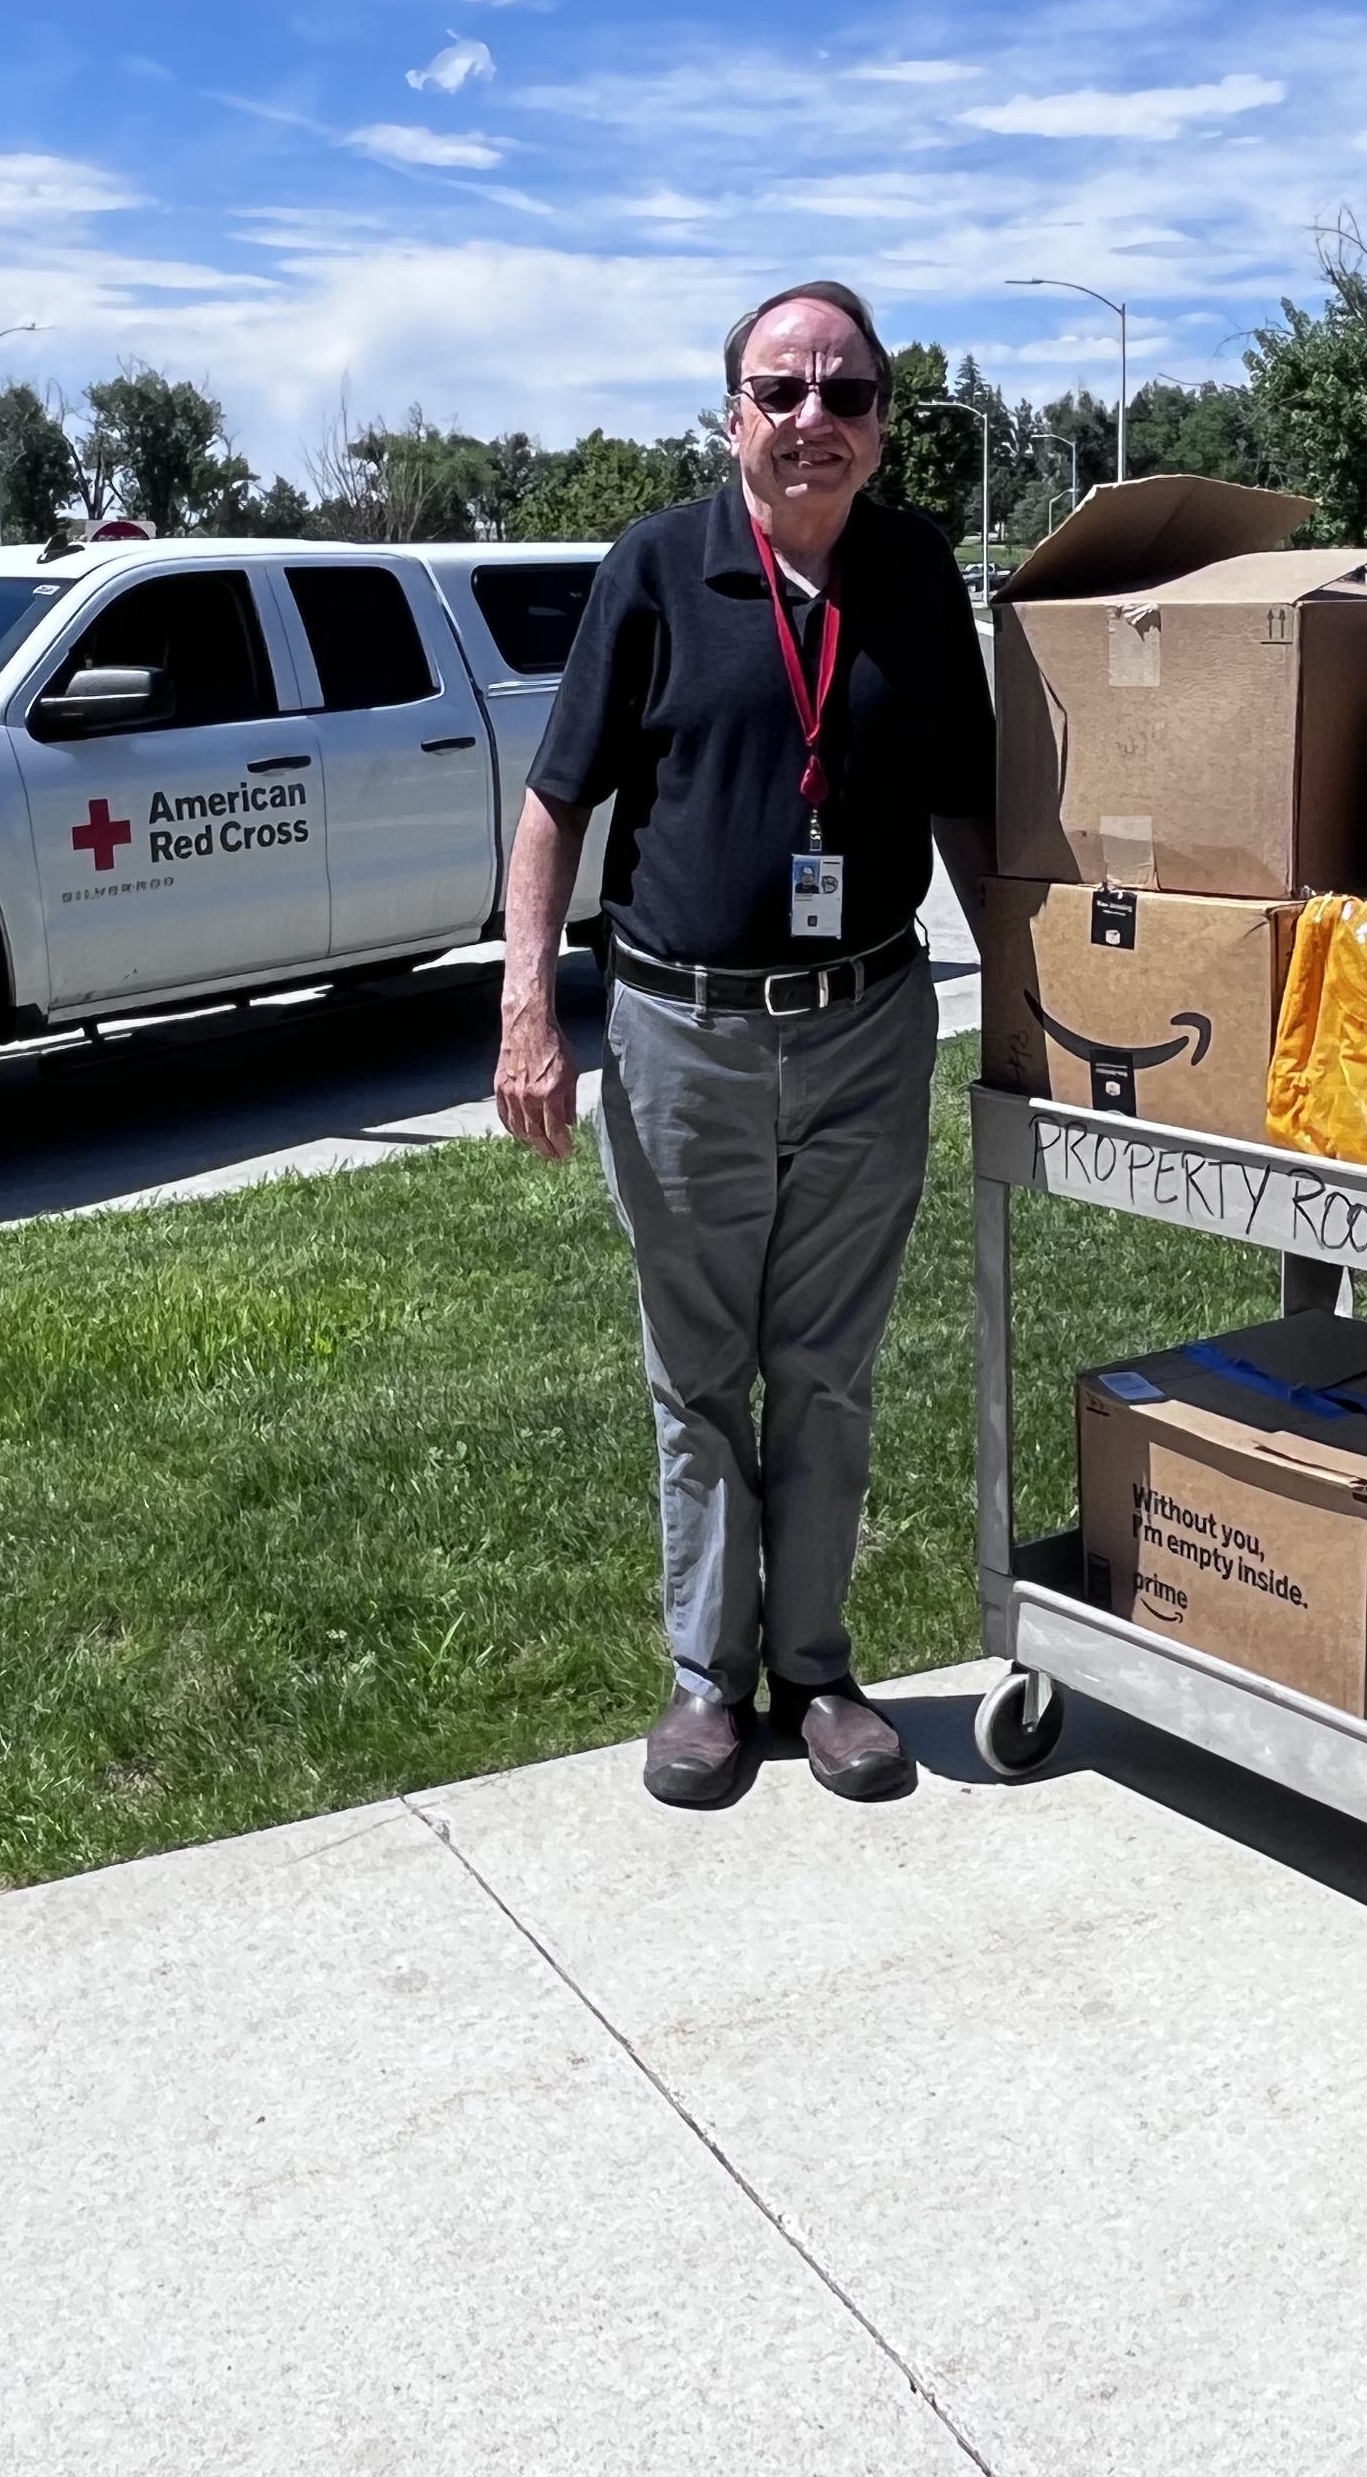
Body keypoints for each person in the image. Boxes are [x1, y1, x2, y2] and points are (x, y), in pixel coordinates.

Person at [495, 280, 998, 1810]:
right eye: (782, 391)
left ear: (884, 424)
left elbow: (971, 807)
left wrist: (1032, 1008)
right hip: (684, 1034)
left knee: (827, 1368)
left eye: (845, 394)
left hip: (868, 1025)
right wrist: (529, 1011)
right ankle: (708, 1683)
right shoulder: (657, 568)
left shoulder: (917, 575)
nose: (812, 421)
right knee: (702, 1370)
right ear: (733, 416)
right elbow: (555, 803)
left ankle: (820, 1669)